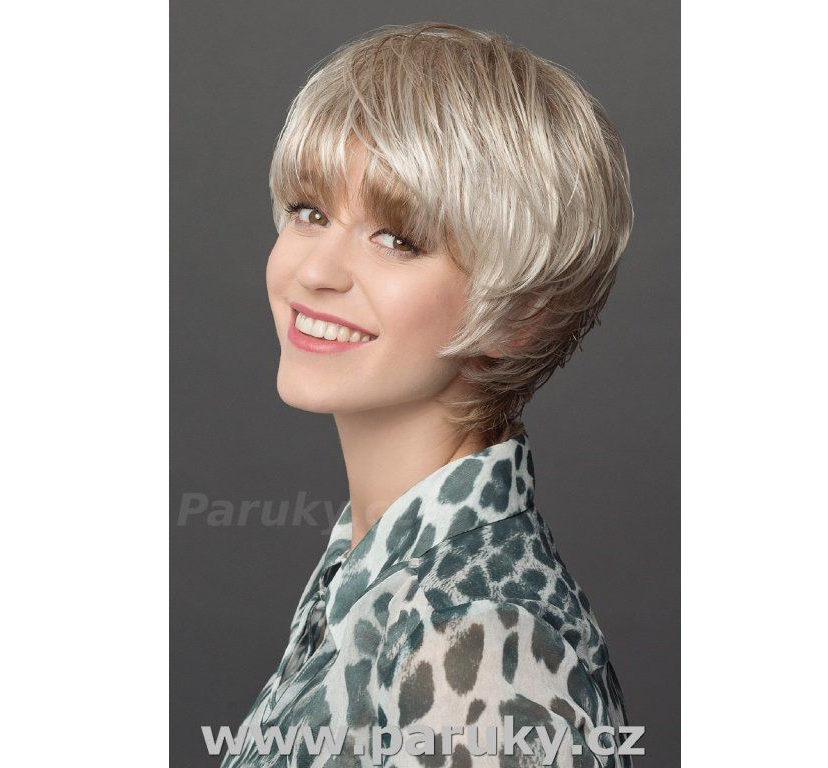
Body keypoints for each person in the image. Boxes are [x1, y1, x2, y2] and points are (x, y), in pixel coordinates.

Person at [223, 21, 634, 767]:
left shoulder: (482, 641)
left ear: (519, 314)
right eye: (311, 212)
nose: (315, 271)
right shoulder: (384, 577)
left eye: (397, 239)